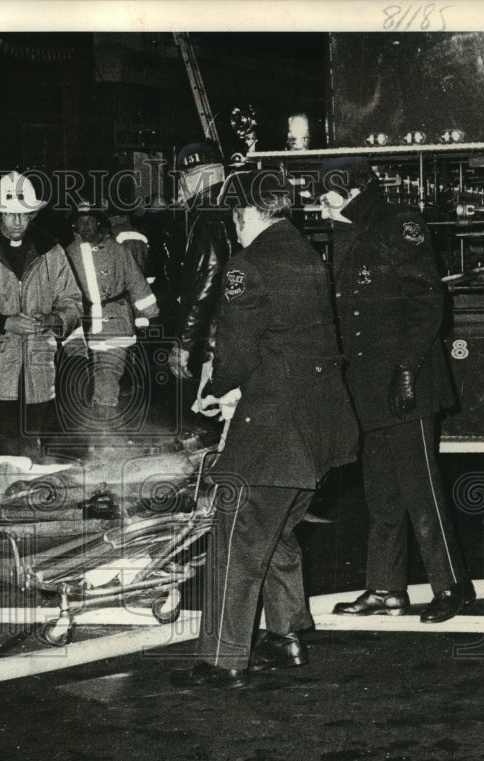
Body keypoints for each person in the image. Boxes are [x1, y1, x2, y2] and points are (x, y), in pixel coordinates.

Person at [171, 171, 358, 690]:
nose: (233, 226)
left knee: (234, 534)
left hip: (276, 426)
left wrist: (215, 388)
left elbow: (236, 352)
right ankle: (286, 635)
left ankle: (223, 660)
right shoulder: (308, 256)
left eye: (233, 216)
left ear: (245, 213)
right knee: (273, 530)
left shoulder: (247, 266)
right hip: (321, 427)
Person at [324, 157, 475, 624]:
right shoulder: (347, 231)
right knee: (382, 494)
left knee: (421, 490)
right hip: (368, 387)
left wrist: (408, 369)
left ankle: (452, 587)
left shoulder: (399, 224)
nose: (319, 204)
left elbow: (428, 302)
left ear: (352, 191)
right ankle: (386, 589)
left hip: (405, 383)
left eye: (326, 194)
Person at [0, 171, 82, 459]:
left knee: (34, 444)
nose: (17, 222)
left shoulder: (51, 252)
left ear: (33, 215)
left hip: (38, 369)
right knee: (3, 443)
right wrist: (4, 322)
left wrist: (54, 319)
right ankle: (3, 499)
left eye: (24, 215)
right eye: (10, 214)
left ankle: (31, 500)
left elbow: (73, 302)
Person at [63, 200, 158, 418]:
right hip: (80, 324)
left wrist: (148, 315)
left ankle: (104, 430)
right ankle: (87, 429)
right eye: (81, 222)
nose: (86, 226)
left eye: (90, 221)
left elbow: (136, 282)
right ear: (74, 226)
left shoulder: (118, 251)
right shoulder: (66, 255)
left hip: (115, 321)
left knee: (108, 377)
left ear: (98, 223)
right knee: (81, 379)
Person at [166, 140, 238, 380]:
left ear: (196, 178)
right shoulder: (228, 207)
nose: (178, 191)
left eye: (182, 180)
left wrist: (183, 343)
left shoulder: (208, 217)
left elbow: (208, 282)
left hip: (215, 338)